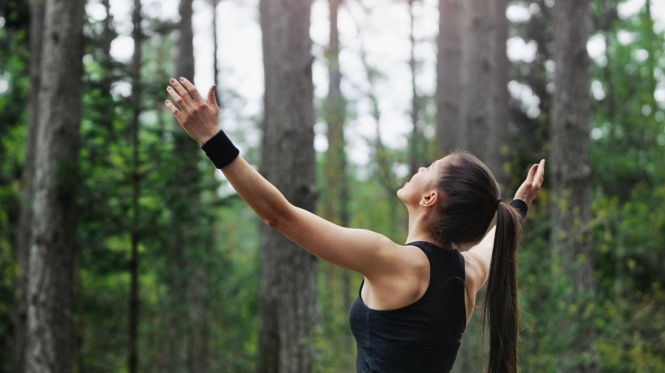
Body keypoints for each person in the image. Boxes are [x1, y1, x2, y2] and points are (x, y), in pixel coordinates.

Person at [164, 77, 545, 373]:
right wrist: (518, 203)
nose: (421, 168)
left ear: (430, 199)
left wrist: (212, 138)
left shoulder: (393, 261)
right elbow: (497, 237)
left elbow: (278, 214)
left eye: (431, 169)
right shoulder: (469, 273)